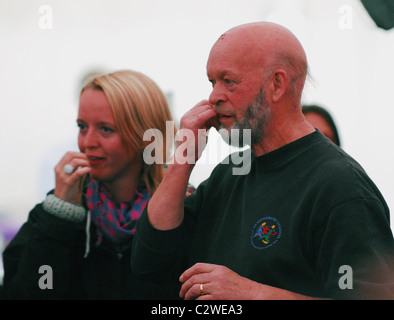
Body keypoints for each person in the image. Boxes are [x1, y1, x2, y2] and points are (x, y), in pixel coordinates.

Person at [131, 22, 394, 300]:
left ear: (277, 84)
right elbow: (150, 265)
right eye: (212, 82)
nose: (214, 96)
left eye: (228, 81)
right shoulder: (229, 174)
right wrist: (183, 161)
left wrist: (254, 294)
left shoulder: (340, 186)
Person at [2, 69, 187, 299]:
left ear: (146, 137)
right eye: (82, 127)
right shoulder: (61, 210)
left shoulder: (184, 211)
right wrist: (58, 217)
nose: (87, 143)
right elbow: (28, 293)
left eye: (105, 129)